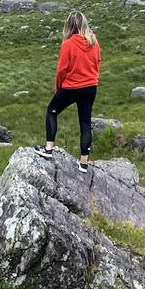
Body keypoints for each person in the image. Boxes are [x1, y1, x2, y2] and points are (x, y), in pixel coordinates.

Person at [35, 11, 100, 173]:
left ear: (69, 26)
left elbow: (61, 70)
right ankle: (84, 162)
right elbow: (97, 63)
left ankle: (48, 149)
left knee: (52, 110)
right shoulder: (94, 42)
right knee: (85, 122)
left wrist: (58, 88)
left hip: (71, 87)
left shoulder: (68, 44)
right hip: (91, 87)